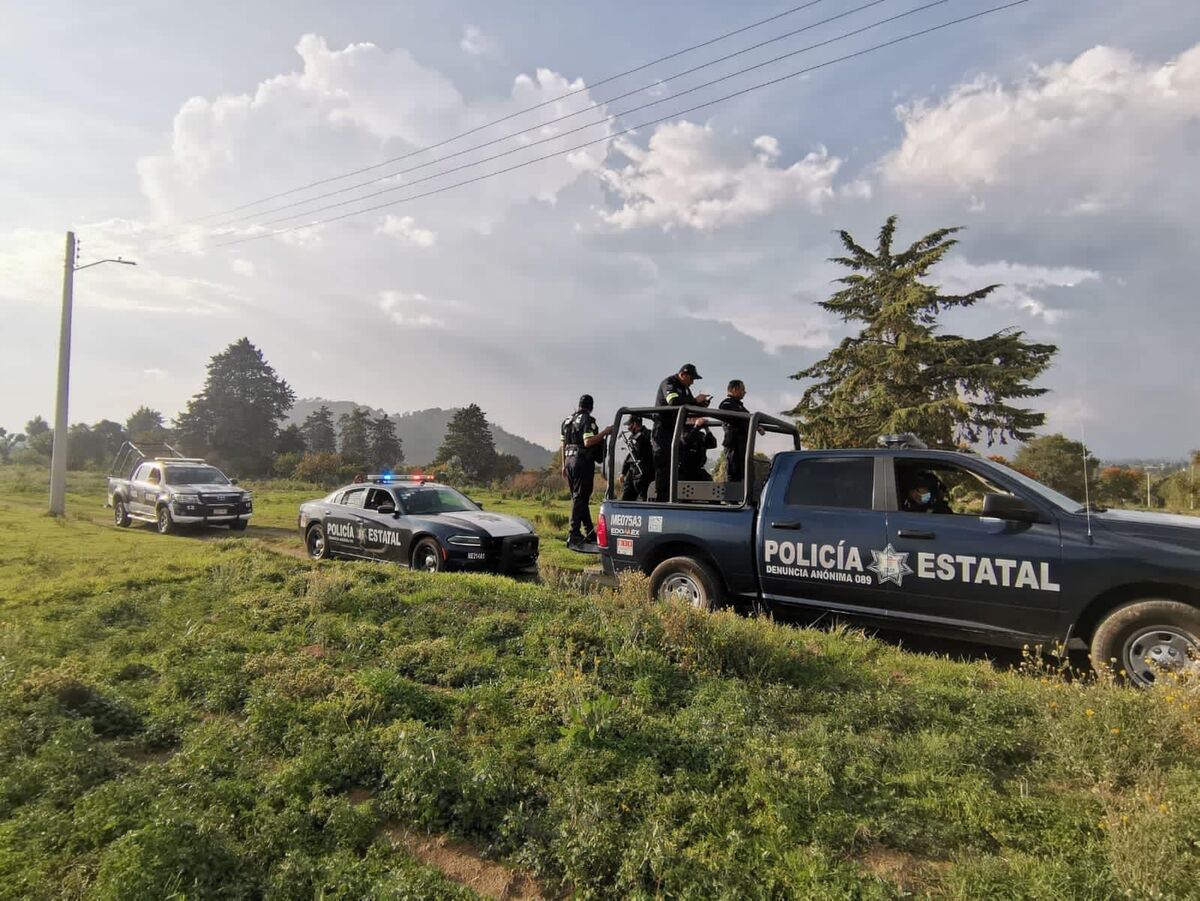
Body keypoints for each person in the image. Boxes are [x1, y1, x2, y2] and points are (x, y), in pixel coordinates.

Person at [652, 363, 711, 501]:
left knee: (673, 466)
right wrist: (695, 400)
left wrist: (700, 405)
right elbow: (673, 401)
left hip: (675, 430)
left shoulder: (685, 389)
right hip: (662, 430)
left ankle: (670, 499)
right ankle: (661, 501)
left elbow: (688, 405)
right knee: (663, 465)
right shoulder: (669, 382)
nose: (692, 383)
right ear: (683, 374)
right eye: (691, 379)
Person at [560, 394, 613, 548]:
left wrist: (563, 465)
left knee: (579, 498)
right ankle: (574, 533)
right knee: (580, 497)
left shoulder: (567, 420)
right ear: (591, 407)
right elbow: (588, 441)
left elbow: (563, 444)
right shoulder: (588, 420)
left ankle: (589, 532)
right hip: (581, 461)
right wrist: (605, 432)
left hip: (569, 460)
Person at [620, 415, 654, 501]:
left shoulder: (649, 435)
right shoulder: (632, 437)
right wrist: (623, 472)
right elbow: (630, 455)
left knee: (644, 499)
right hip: (632, 472)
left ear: (635, 424)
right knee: (626, 498)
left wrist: (639, 438)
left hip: (644, 473)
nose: (628, 427)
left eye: (629, 425)